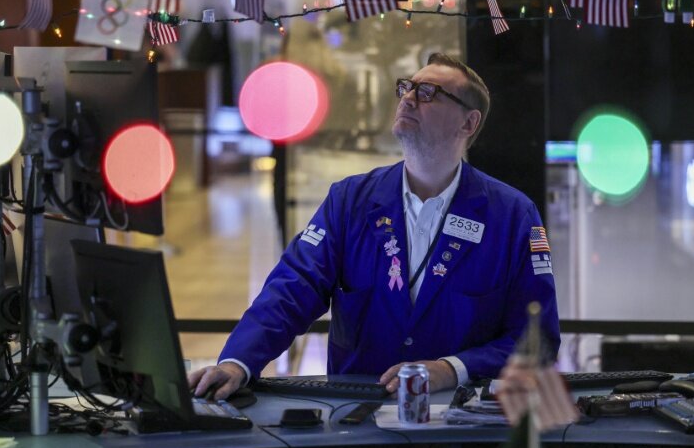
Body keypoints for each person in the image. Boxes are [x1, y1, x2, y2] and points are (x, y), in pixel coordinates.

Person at [189, 53, 560, 400]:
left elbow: (537, 338)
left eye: (428, 93)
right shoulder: (350, 201)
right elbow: (293, 288)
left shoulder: (512, 215)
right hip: (358, 416)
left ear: (469, 123)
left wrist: (452, 369)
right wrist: (238, 362)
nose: (408, 99)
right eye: (406, 88)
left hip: (460, 418)